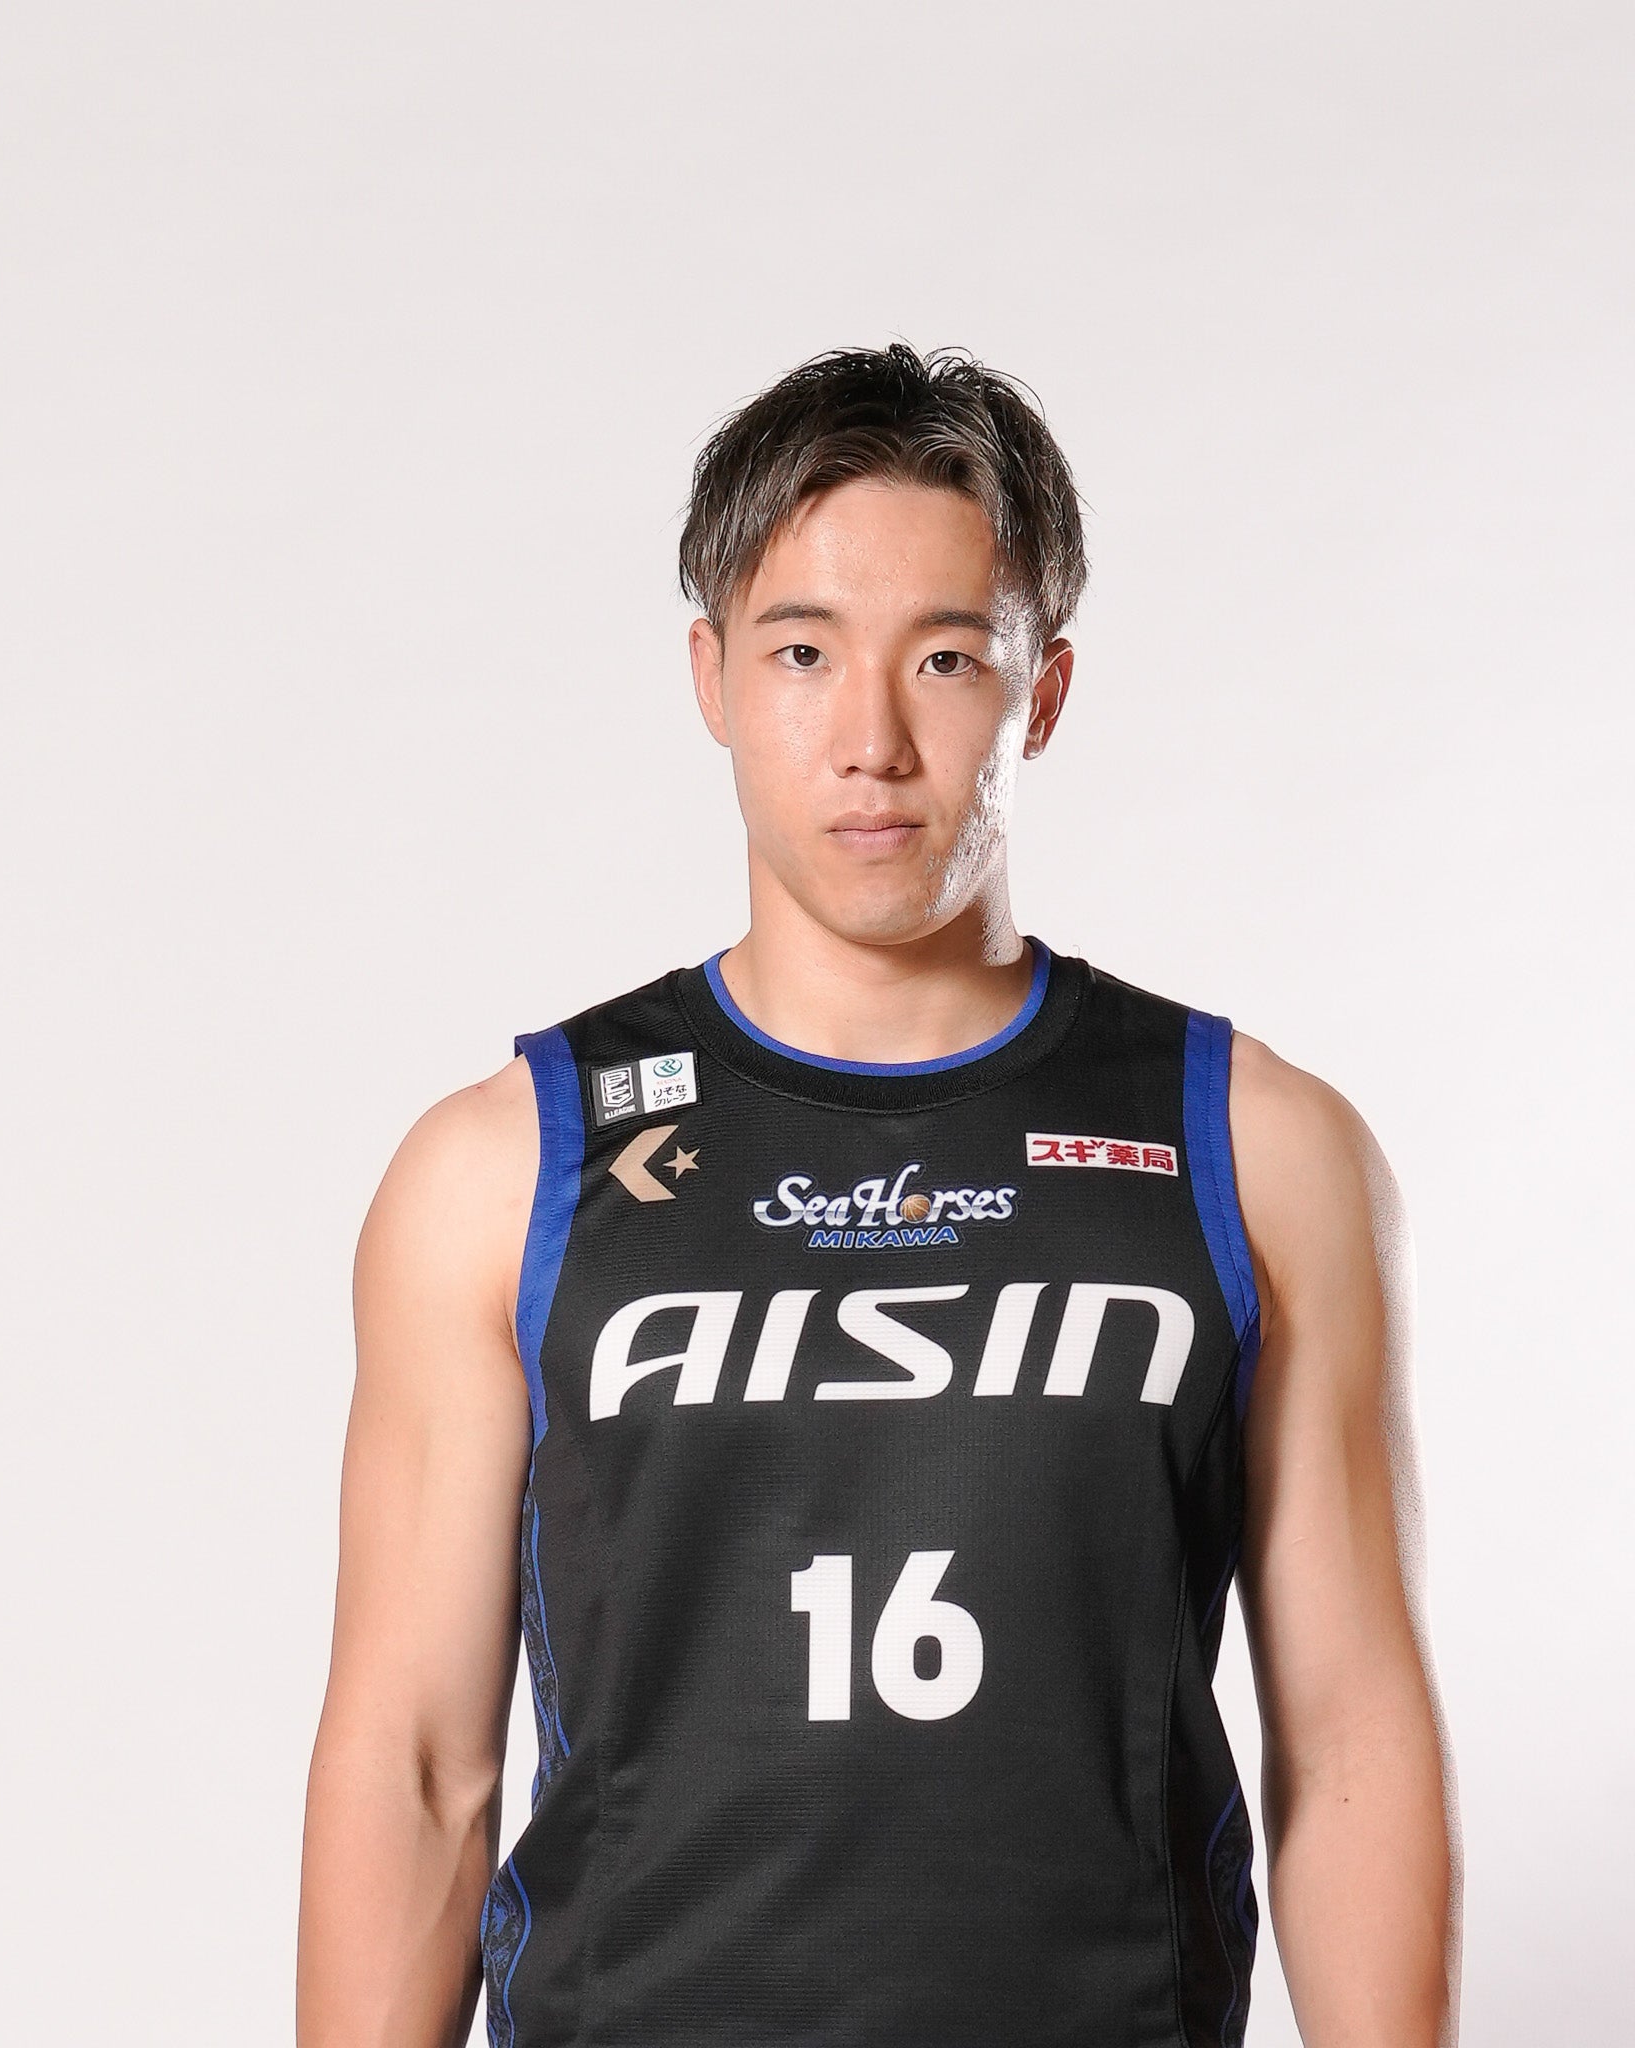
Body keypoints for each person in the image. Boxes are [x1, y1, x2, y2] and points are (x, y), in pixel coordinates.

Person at [297, 343, 1461, 2048]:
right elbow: (414, 1762)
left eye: (946, 658)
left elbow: (1352, 1733)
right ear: (711, 676)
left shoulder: (1253, 1148)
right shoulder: (508, 1166)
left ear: (1042, 692)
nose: (872, 741)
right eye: (802, 652)